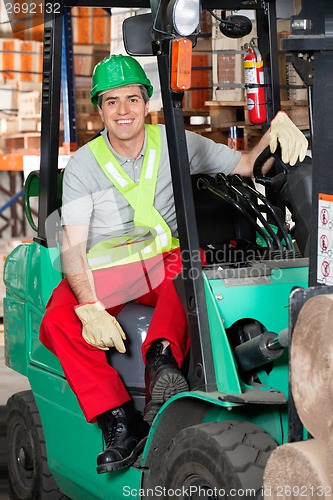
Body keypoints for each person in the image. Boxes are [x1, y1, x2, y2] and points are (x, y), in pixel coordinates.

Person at [40, 54, 308, 474]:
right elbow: (72, 244)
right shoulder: (83, 167)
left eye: (132, 99)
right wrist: (89, 305)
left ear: (147, 103)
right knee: (57, 319)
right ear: (100, 110)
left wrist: (271, 135)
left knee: (193, 267)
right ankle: (119, 420)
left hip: (162, 262)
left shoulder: (176, 143)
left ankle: (161, 364)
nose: (123, 110)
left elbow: (243, 165)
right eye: (112, 102)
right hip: (108, 272)